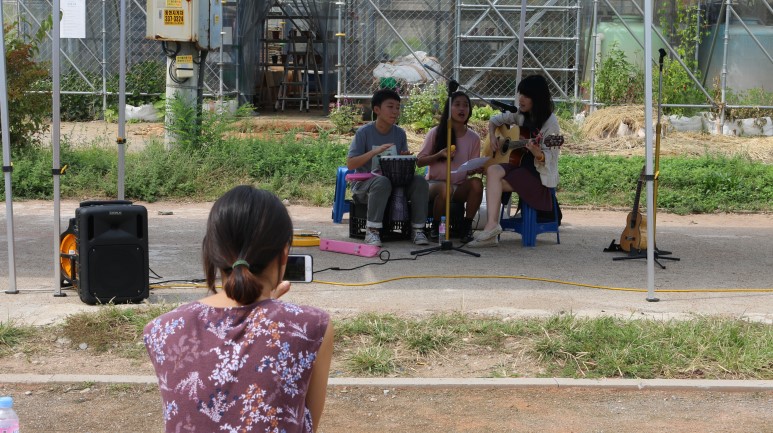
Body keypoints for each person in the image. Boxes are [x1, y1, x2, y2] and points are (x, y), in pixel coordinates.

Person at [143, 185, 334, 433]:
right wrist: (270, 310)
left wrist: (265, 309)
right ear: (284, 254)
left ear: (212, 254)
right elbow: (304, 425)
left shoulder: (161, 329)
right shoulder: (312, 326)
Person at [467, 74, 561, 247]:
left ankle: (491, 229)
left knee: (495, 182)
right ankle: (492, 226)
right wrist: (493, 136)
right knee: (493, 170)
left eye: (526, 96)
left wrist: (537, 152)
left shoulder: (550, 123)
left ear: (537, 98)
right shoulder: (522, 115)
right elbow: (495, 120)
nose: (521, 99)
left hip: (537, 175)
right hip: (520, 167)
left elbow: (549, 158)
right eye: (520, 94)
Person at [347, 88, 430, 247]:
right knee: (382, 182)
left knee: (419, 181)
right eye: (390, 107)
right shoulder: (363, 133)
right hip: (366, 186)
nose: (395, 111)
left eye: (398, 107)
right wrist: (374, 152)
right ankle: (372, 231)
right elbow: (351, 163)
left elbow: (399, 163)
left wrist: (404, 158)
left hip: (395, 185)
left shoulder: (399, 133)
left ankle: (418, 230)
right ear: (377, 109)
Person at [417, 90, 483, 243]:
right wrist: (439, 154)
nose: (462, 109)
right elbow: (420, 161)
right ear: (449, 108)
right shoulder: (436, 133)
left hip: (458, 186)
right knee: (445, 188)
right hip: (434, 184)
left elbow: (471, 166)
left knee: (477, 184)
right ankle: (436, 227)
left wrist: (477, 168)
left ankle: (466, 227)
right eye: (457, 105)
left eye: (466, 106)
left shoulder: (474, 138)